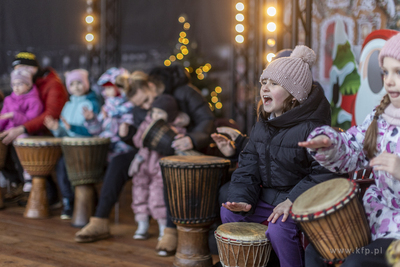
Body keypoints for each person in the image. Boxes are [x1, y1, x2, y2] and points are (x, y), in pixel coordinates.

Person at [75, 65, 215, 258]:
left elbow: (207, 120)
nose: (146, 107)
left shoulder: (185, 92)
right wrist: (128, 134)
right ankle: (99, 219)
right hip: (151, 153)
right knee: (119, 163)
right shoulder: (141, 106)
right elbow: (142, 137)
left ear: (151, 85)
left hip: (184, 152)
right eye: (141, 105)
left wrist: (192, 138)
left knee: (167, 170)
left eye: (147, 101)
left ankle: (170, 230)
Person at [220, 45, 340, 267]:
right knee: (230, 215)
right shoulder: (262, 125)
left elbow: (325, 173)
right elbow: (248, 165)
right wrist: (242, 198)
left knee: (280, 228)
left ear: (294, 96)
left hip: (303, 202)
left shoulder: (312, 129)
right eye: (264, 82)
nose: (265, 88)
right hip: (271, 199)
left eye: (274, 83)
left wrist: (292, 201)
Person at [299, 33, 400, 267]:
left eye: (398, 72)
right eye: (386, 72)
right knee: (318, 250)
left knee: (357, 262)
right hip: (377, 219)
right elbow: (355, 149)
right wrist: (329, 143)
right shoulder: (380, 115)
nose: (389, 81)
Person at [1, 51, 68, 206]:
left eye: (24, 67)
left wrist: (22, 128)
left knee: (22, 144)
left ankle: (46, 195)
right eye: (17, 68)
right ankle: (20, 185)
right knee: (5, 143)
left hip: (50, 132)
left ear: (34, 68)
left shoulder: (53, 84)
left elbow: (50, 115)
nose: (20, 72)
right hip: (31, 129)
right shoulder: (28, 84)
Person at [129, 94, 188, 241]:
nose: (156, 115)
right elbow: (137, 141)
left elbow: (176, 144)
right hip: (143, 164)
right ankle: (142, 224)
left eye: (160, 113)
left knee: (158, 196)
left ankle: (163, 228)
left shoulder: (175, 128)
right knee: (139, 192)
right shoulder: (146, 123)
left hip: (160, 167)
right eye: (154, 111)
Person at [44, 69, 100, 219]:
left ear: (86, 84)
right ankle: (68, 201)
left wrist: (74, 127)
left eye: (79, 83)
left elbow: (95, 131)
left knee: (82, 173)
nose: (76, 87)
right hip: (69, 146)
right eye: (72, 84)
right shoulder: (68, 105)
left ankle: (89, 202)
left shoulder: (92, 103)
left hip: (87, 148)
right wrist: (57, 129)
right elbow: (65, 131)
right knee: (61, 169)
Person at [0, 67, 44, 193]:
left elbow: (31, 121)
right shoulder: (9, 100)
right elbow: (3, 118)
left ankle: (27, 176)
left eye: (20, 84)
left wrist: (14, 115)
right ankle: (14, 181)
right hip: (9, 133)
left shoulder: (34, 100)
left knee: (22, 143)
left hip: (25, 133)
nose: (16, 87)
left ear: (28, 85)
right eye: (14, 84)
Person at [83, 68, 134, 161]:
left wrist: (125, 125)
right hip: (105, 147)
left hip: (121, 149)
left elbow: (129, 127)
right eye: (105, 88)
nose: (106, 91)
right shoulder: (106, 107)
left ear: (120, 88)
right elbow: (98, 130)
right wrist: (92, 120)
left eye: (109, 88)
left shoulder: (128, 107)